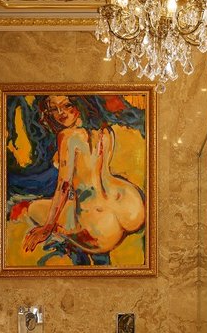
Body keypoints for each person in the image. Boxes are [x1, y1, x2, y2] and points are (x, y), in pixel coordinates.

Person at [21, 95, 146, 265]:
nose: (61, 113)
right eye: (53, 109)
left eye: (67, 105)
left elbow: (64, 186)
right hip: (131, 206)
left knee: (33, 208)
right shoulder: (105, 130)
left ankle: (73, 249)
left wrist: (47, 228)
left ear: (79, 104)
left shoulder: (67, 136)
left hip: (101, 225)